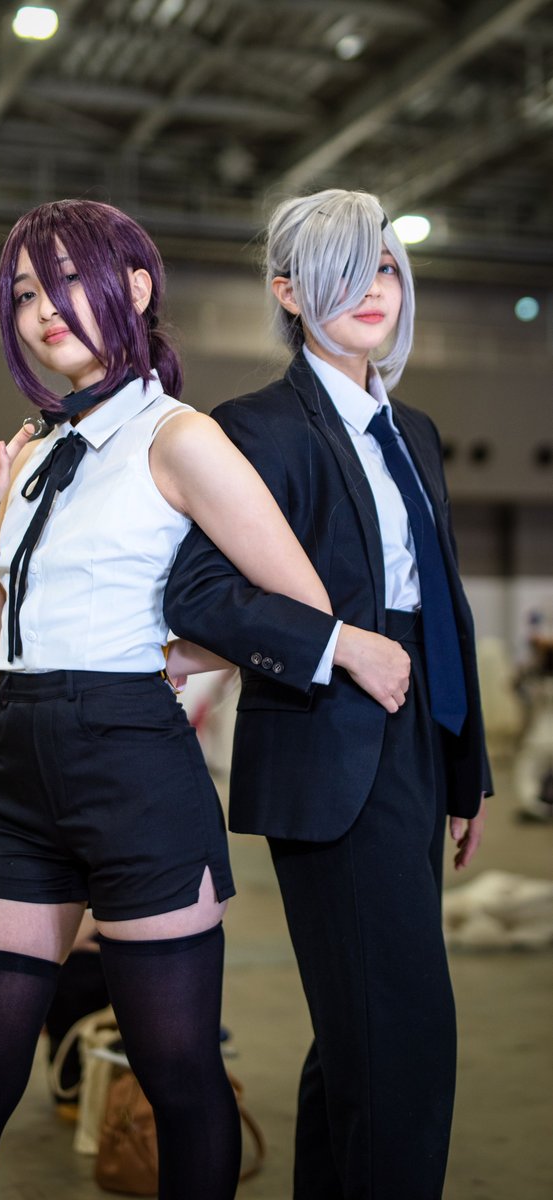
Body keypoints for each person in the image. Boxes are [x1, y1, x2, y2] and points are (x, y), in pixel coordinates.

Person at [0, 198, 407, 1200]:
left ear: (134, 288)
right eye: (26, 292)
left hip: (135, 770)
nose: (44, 310)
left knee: (179, 1080)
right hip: (16, 772)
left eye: (67, 280)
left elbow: (299, 605)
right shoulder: (29, 455)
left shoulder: (181, 438)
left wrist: (172, 655)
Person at [164, 188, 492, 1200]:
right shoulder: (255, 428)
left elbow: (441, 606)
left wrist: (464, 766)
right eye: (343, 272)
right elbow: (198, 593)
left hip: (417, 739)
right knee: (405, 1039)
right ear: (289, 293)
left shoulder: (414, 430)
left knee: (359, 1034)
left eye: (384, 266)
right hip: (332, 742)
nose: (372, 289)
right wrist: (341, 647)